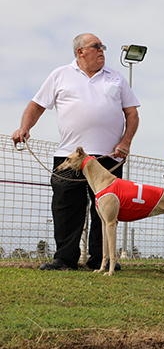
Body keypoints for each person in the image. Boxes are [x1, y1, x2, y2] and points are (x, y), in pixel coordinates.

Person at [11, 33, 140, 271]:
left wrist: (126, 142)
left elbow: (132, 114)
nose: (102, 50)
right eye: (96, 46)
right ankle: (65, 259)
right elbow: (37, 105)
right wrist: (25, 127)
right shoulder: (60, 75)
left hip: (107, 159)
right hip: (70, 157)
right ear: (80, 52)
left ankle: (102, 259)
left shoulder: (117, 77)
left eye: (103, 46)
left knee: (105, 208)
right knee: (66, 207)